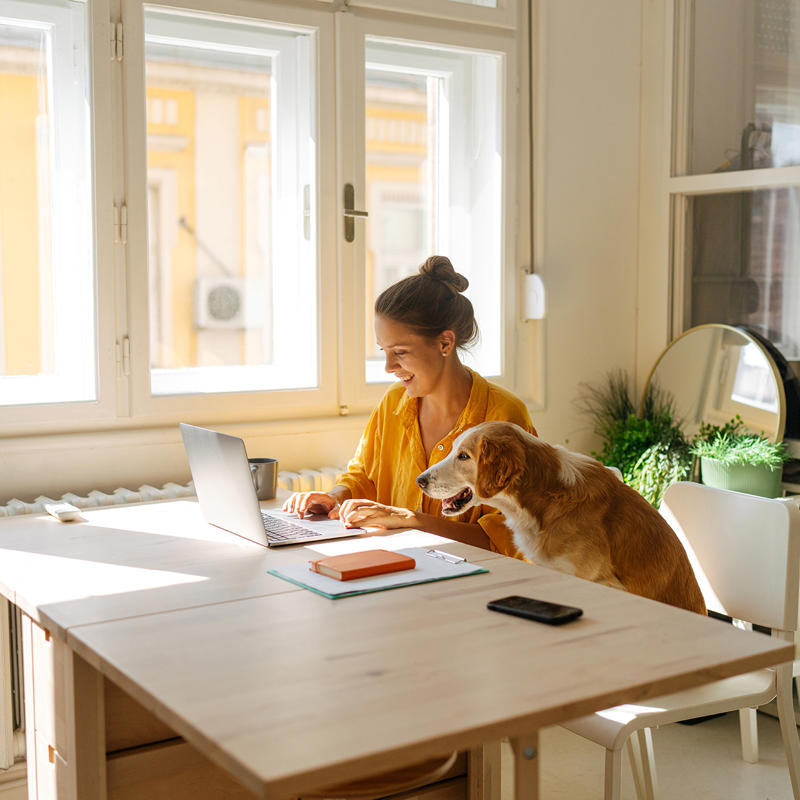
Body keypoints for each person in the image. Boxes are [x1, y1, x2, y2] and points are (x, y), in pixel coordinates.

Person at [282, 255, 537, 557]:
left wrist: (414, 522)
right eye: (384, 351)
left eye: (400, 351)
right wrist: (334, 497)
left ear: (445, 343)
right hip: (397, 567)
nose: (389, 366)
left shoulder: (504, 416)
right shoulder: (393, 403)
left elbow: (509, 540)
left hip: (474, 581)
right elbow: (364, 476)